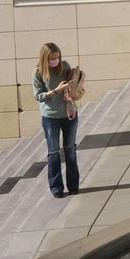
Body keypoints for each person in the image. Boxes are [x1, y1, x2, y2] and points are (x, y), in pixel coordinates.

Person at [33, 42, 81, 199]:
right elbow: (38, 96)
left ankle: (74, 186)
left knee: (70, 150)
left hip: (69, 114)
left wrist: (73, 88)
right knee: (54, 153)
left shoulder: (65, 66)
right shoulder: (38, 73)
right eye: (52, 59)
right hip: (50, 117)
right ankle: (56, 188)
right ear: (45, 58)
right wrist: (55, 91)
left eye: (58, 58)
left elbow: (72, 84)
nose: (56, 62)